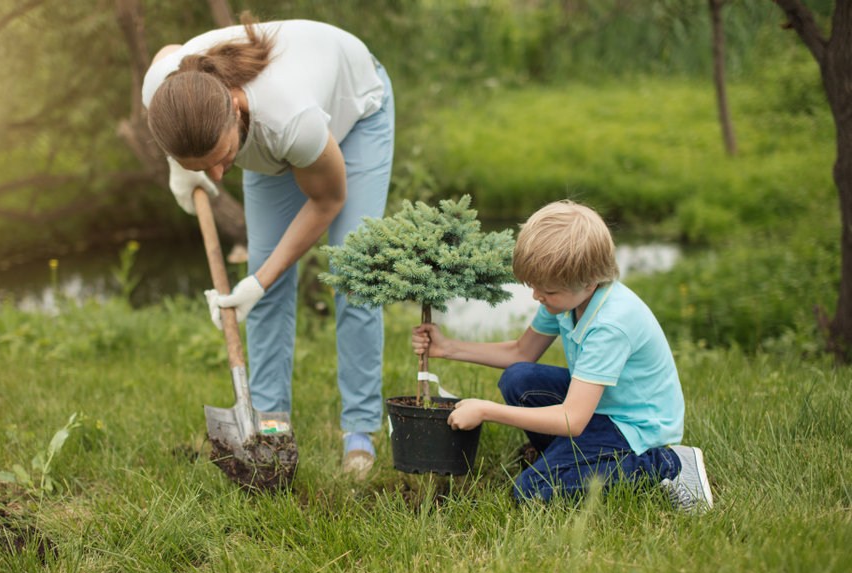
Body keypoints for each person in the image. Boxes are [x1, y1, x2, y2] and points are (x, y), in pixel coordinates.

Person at [142, 15, 394, 478]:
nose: (218, 177)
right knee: (266, 276)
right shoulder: (166, 90)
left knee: (353, 274)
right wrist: (184, 165)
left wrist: (258, 281)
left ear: (235, 109)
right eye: (203, 167)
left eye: (221, 161)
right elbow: (166, 53)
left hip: (356, 111)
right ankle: (272, 427)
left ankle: (359, 432)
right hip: (268, 137)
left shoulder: (289, 118)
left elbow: (328, 200)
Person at [411, 201, 714, 512]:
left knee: (533, 490)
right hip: (602, 405)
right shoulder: (567, 300)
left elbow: (573, 419)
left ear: (589, 282)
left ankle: (666, 465)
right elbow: (522, 352)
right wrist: (447, 348)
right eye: (535, 287)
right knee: (519, 378)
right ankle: (568, 459)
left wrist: (487, 410)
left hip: (633, 424)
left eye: (548, 291)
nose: (536, 296)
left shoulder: (610, 324)